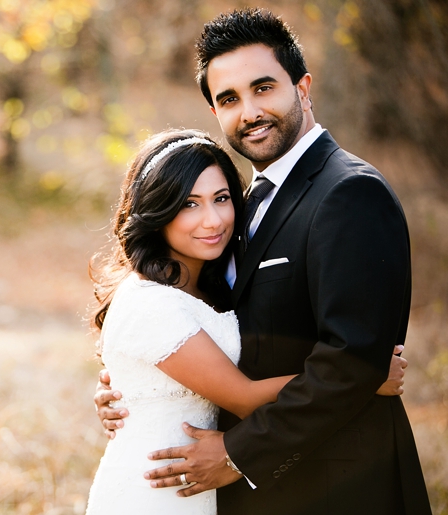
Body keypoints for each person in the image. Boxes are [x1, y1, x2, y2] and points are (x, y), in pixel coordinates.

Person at [94, 8, 431, 515]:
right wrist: (136, 388)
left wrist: (238, 454)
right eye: (229, 99)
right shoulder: (243, 205)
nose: (249, 111)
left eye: (263, 88)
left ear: (303, 87)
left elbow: (351, 360)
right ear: (215, 111)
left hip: (339, 483)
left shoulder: (348, 193)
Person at [85, 129, 407, 514]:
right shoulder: (151, 302)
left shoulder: (209, 282)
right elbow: (245, 397)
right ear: (157, 211)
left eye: (221, 199)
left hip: (203, 484)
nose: (213, 220)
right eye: (189, 204)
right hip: (157, 486)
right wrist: (363, 376)